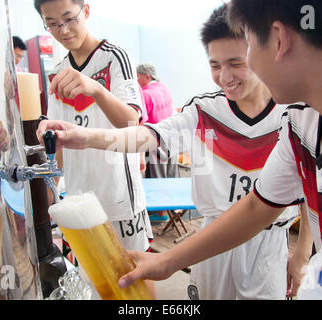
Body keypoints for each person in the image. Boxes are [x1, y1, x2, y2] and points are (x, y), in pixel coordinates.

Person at [36, 4, 314, 299]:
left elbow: (306, 185)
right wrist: (85, 137)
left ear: (258, 53)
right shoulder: (204, 110)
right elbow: (149, 135)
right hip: (211, 243)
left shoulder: (293, 114)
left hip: (267, 247)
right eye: (215, 65)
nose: (225, 76)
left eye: (236, 63)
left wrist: (301, 253)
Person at [33, 0, 155, 297]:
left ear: (85, 11)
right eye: (52, 23)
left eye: (68, 18)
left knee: (134, 273)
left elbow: (132, 123)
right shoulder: (59, 71)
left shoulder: (114, 57)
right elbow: (61, 137)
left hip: (118, 193)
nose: (62, 29)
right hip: (79, 194)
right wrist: (53, 182)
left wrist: (96, 89)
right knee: (94, 280)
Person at [137, 63, 178, 222]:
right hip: (171, 138)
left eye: (138, 76)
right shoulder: (164, 88)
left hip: (155, 141)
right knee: (168, 176)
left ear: (147, 76)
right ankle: (168, 209)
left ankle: (160, 214)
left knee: (156, 178)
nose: (136, 80)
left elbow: (140, 122)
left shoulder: (145, 94)